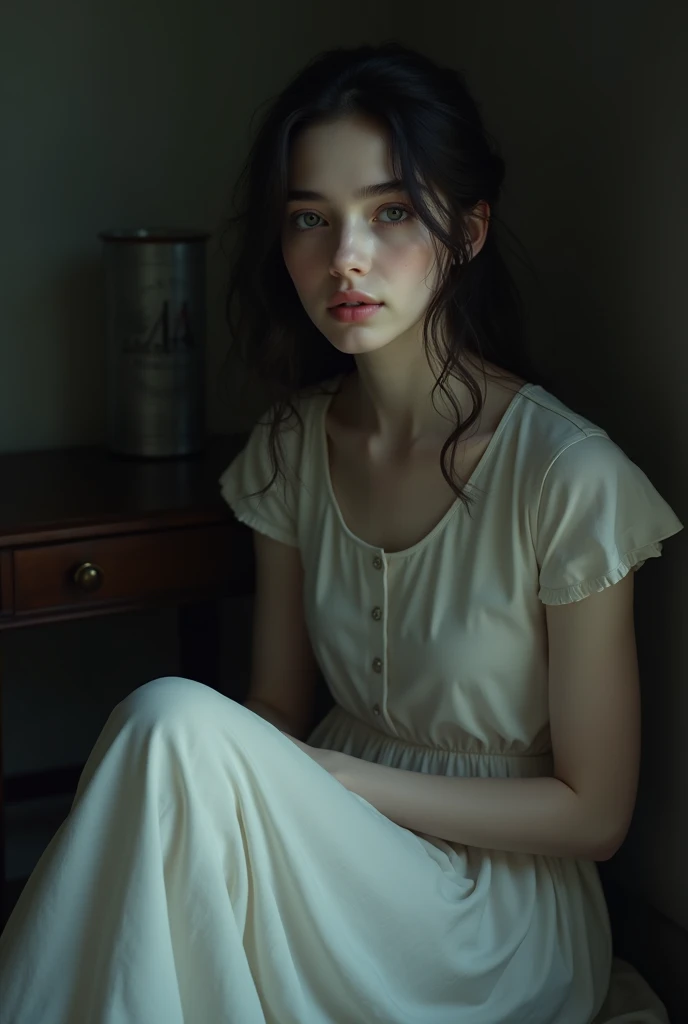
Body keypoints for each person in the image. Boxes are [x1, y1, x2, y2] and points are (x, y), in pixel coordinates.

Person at [0, 42, 683, 1024]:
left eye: (390, 211)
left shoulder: (569, 476)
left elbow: (595, 813)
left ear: (470, 229)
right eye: (309, 220)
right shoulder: (291, 446)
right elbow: (277, 702)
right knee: (171, 758)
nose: (344, 258)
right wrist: (272, 786)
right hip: (329, 846)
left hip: (494, 913)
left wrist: (321, 775)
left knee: (168, 719)